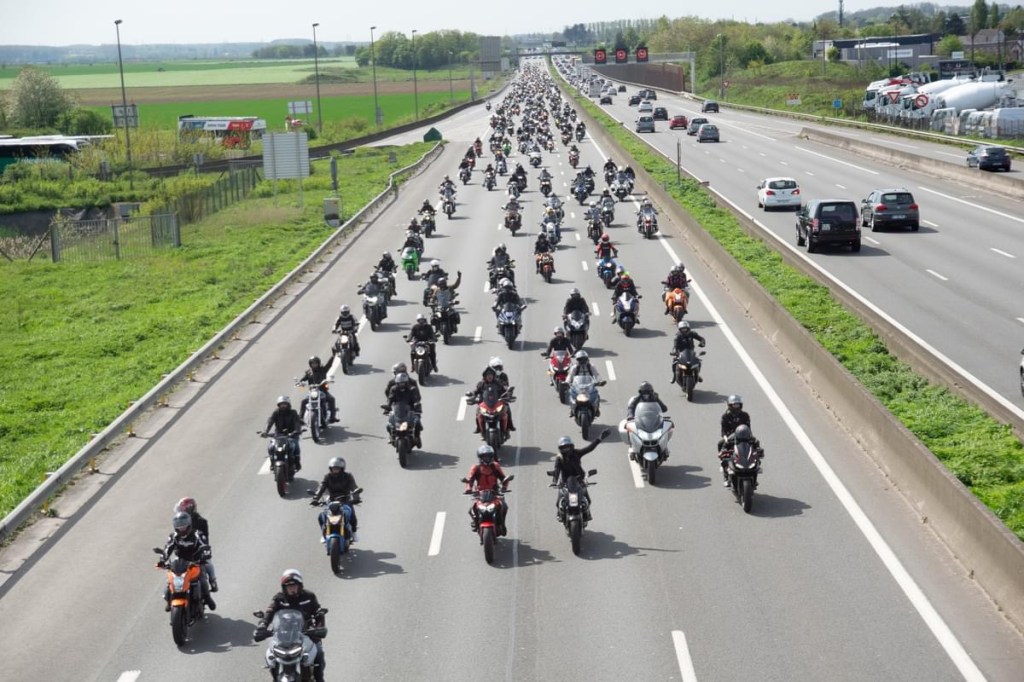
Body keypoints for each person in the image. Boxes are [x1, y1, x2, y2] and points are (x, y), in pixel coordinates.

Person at [254, 570, 326, 682]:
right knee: (270, 655)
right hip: (282, 635)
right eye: (289, 586)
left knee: (319, 652)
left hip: (307, 633)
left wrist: (319, 628)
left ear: (300, 586)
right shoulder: (279, 599)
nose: (292, 588)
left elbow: (319, 613)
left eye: (294, 586)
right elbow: (269, 612)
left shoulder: (309, 596)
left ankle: (320, 679)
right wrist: (263, 625)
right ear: (284, 588)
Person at [157, 511, 215, 611]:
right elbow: (168, 548)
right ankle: (169, 600)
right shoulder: (173, 536)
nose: (181, 528)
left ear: (189, 524)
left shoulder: (198, 534)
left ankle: (208, 598)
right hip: (180, 561)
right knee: (170, 580)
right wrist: (162, 560)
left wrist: (205, 555)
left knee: (202, 578)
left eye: (183, 526)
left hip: (196, 560)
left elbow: (205, 547)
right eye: (179, 526)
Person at [549, 432, 610, 522]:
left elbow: (589, 448)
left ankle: (587, 513)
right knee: (558, 503)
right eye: (564, 447)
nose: (566, 449)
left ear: (572, 446)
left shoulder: (577, 453)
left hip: (579, 481)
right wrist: (555, 480)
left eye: (568, 447)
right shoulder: (559, 458)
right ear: (560, 449)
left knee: (588, 500)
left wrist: (599, 439)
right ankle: (560, 514)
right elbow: (557, 469)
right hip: (565, 483)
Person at [463, 445, 511, 535]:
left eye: (488, 456)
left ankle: (502, 524)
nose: (487, 459)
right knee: (471, 510)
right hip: (480, 494)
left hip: (495, 493)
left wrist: (504, 488)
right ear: (480, 457)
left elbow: (504, 479)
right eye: (484, 457)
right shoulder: (475, 468)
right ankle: (475, 522)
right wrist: (468, 489)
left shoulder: (495, 466)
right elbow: (470, 480)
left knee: (504, 506)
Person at [310, 457, 360, 542]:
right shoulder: (327, 477)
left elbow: (354, 487)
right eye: (334, 468)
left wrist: (356, 498)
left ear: (342, 468)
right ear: (330, 468)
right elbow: (321, 488)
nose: (335, 470)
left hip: (345, 500)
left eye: (337, 468)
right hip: (331, 500)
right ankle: (324, 533)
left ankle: (354, 532)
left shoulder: (348, 476)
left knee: (351, 515)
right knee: (322, 516)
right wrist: (315, 498)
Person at [173, 498, 217, 592]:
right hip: (184, 549)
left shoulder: (201, 521)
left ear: (190, 509)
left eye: (183, 510)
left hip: (198, 549)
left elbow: (204, 538)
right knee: (174, 565)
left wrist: (204, 551)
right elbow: (177, 536)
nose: (181, 513)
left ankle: (213, 581)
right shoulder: (181, 520)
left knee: (208, 563)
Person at [468, 367, 516, 432]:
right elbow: (475, 391)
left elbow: (505, 389)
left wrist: (508, 393)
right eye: (487, 375)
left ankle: (509, 427)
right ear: (485, 376)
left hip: (497, 403)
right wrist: (472, 395)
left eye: (491, 375)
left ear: (493, 376)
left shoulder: (498, 383)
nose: (489, 377)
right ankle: (479, 428)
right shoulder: (481, 384)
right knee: (478, 413)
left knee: (506, 410)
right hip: (484, 404)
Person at [264, 396, 302, 471]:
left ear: (288, 404)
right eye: (281, 404)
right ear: (278, 405)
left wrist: (297, 430)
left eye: (285, 404)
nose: (283, 406)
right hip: (279, 435)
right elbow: (270, 422)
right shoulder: (275, 413)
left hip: (291, 434)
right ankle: (272, 463)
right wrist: (265, 431)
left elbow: (297, 422)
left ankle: (297, 463)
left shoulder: (293, 413)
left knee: (296, 446)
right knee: (271, 447)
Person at [386, 372, 423, 448]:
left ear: (406, 382)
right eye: (400, 383)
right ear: (397, 383)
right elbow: (390, 399)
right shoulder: (393, 389)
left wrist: (416, 404)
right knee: (388, 424)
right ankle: (391, 436)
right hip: (398, 411)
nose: (401, 385)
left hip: (411, 410)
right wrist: (388, 406)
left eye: (403, 383)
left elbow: (416, 399)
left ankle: (417, 437)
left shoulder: (412, 389)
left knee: (417, 423)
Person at [299, 356, 339, 424]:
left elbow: (329, 364)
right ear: (310, 364)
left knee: (331, 399)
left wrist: (333, 356)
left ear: (318, 363)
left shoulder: (323, 369)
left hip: (323, 391)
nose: (314, 364)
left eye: (315, 363)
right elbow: (303, 379)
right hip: (313, 392)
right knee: (303, 401)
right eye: (312, 363)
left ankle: (332, 417)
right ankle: (300, 418)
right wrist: (300, 383)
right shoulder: (309, 372)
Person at [566, 350, 603, 417]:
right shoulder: (574, 367)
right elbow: (570, 376)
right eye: (580, 359)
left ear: (587, 359)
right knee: (571, 394)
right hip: (577, 386)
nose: (582, 361)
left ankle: (597, 409)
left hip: (589, 385)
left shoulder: (591, 366)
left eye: (584, 359)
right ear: (577, 360)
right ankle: (572, 410)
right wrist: (567, 382)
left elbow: (596, 374)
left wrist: (600, 381)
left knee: (597, 395)